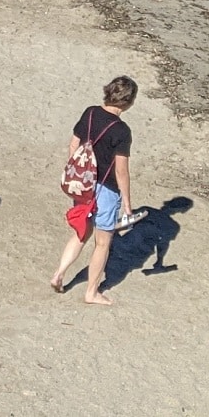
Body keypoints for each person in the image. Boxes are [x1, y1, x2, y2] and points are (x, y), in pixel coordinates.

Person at [51, 76, 139, 305]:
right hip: (106, 190)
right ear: (129, 102)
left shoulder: (90, 113)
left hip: (83, 185)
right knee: (102, 243)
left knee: (81, 231)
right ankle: (91, 292)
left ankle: (59, 273)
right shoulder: (121, 130)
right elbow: (121, 171)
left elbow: (73, 145)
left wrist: (76, 171)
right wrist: (127, 204)